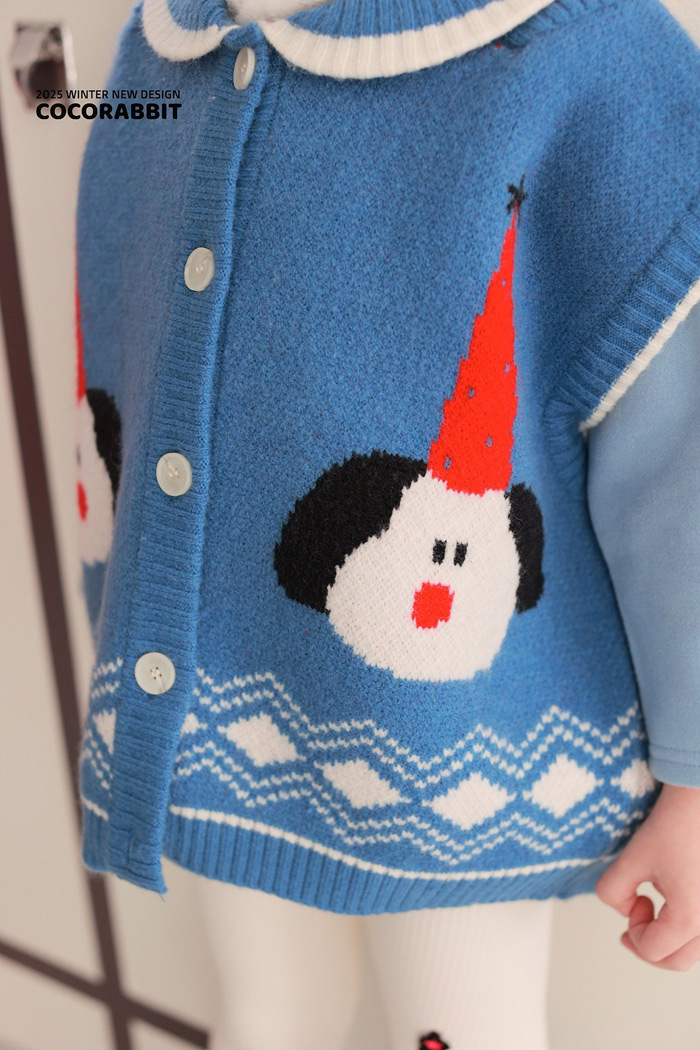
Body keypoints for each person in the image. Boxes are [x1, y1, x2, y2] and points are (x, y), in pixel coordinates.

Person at [74, 0, 700, 1045]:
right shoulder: (162, 44)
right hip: (216, 721)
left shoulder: (590, 60)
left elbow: (677, 462)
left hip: (460, 756)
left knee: (457, 1027)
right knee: (264, 1018)